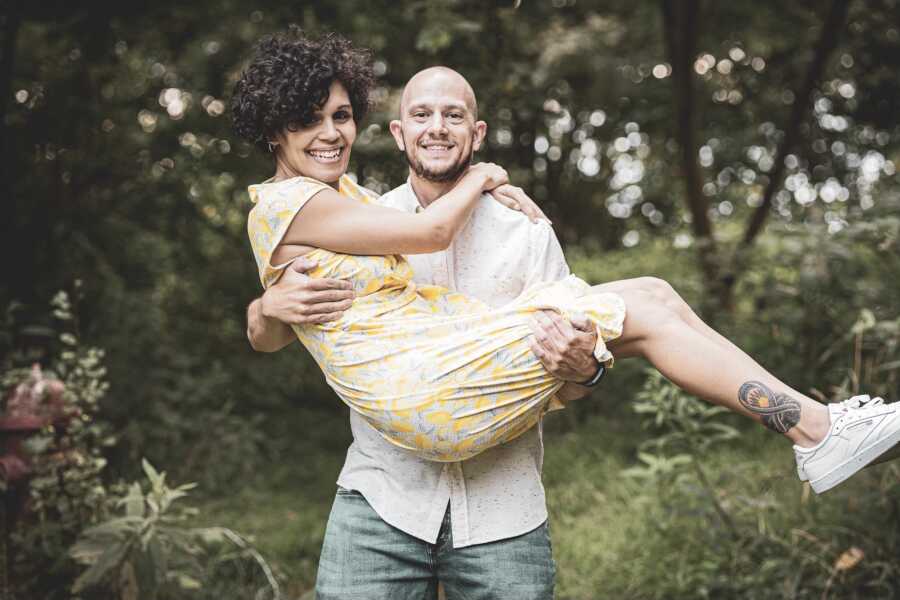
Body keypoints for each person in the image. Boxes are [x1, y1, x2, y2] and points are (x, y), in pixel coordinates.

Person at [235, 30, 899, 598]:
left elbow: (577, 382)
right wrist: (266, 307)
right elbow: (296, 312)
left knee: (654, 298)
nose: (329, 133)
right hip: (391, 480)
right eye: (308, 118)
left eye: (341, 116)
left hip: (499, 505)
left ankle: (815, 430)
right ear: (400, 132)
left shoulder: (481, 224)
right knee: (648, 301)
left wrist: (585, 367)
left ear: (475, 128)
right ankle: (816, 432)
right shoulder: (351, 212)